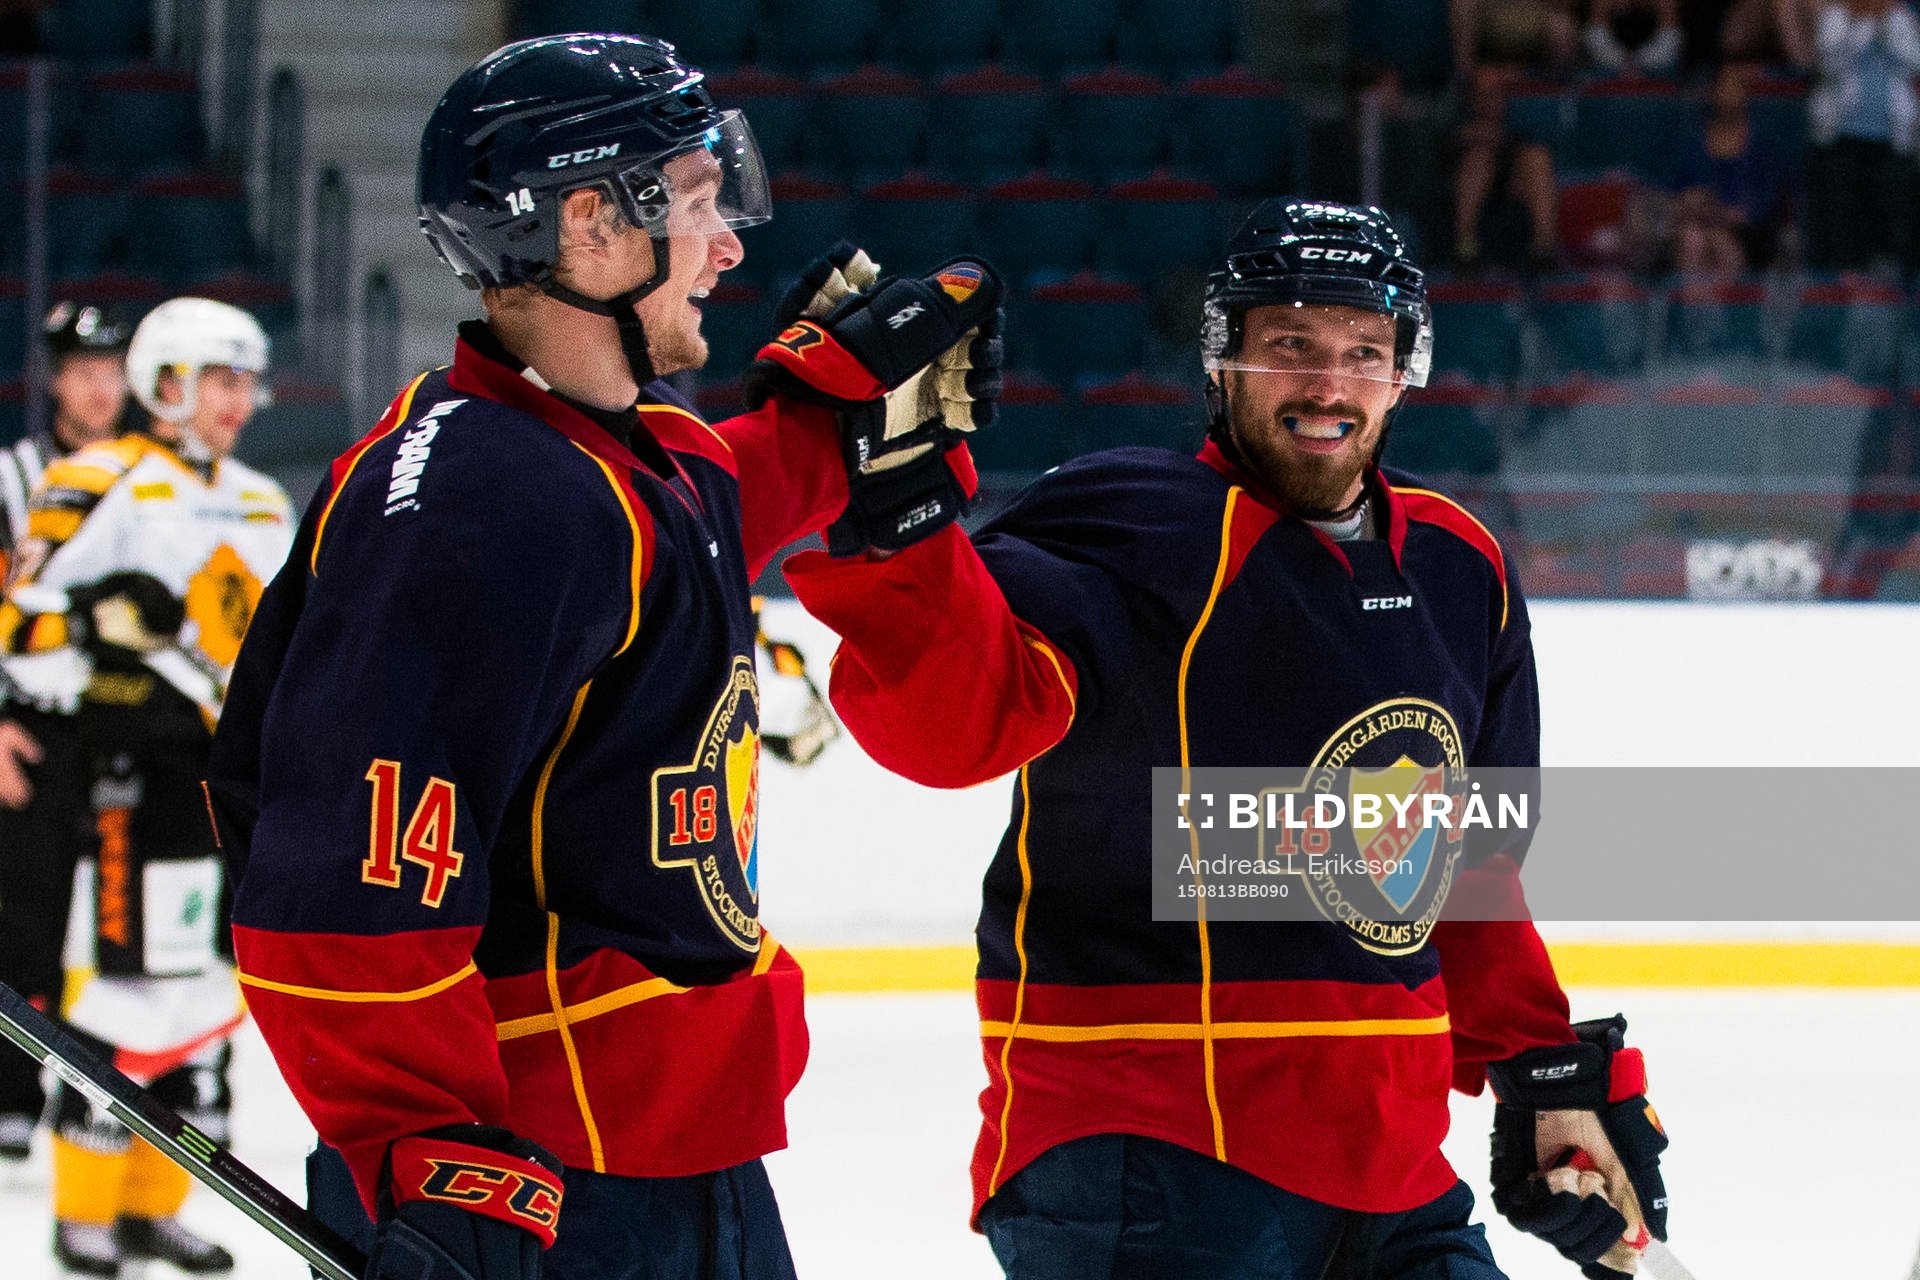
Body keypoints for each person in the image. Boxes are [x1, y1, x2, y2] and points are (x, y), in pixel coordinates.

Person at [204, 32, 1001, 1280]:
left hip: (670, 1164)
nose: (729, 242)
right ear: (589, 222)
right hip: (542, 1182)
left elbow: (693, 516)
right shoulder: (481, 495)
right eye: (694, 201)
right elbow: (342, 900)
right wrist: (432, 1158)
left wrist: (835, 423)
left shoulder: (612, 454)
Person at [785, 200, 1672, 1279]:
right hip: (1150, 1153)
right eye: (1290, 347)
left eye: (1364, 354)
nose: (1329, 386)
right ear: (1224, 363)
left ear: (1404, 375)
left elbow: (1462, 866)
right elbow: (950, 730)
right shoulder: (1129, 524)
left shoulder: (1457, 563)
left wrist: (1541, 1068)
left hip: (1389, 1170)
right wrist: (899, 530)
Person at [0, 295, 289, 1276]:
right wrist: (91, 620)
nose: (238, 400)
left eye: (247, 380)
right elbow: (18, 633)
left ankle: (155, 1201)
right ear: (166, 382)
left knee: (206, 1001)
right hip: (131, 780)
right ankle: (83, 1212)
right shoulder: (96, 479)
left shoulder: (261, 499)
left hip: (228, 790)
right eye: (219, 379)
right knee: (122, 1002)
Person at [0, 301, 133, 1164]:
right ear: (54, 377)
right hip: (34, 730)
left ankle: (112, 1094)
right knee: (25, 922)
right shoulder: (13, 475)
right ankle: (12, 1090)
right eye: (83, 369)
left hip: (128, 730)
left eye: (112, 368)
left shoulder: (147, 474)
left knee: (123, 925)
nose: (99, 386)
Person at [1803, 0, 1920, 271]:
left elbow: (1915, 61)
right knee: (1842, 217)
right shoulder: (1834, 15)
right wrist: (1864, 30)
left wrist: (1887, 30)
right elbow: (1829, 64)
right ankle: (1843, 278)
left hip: (1892, 138)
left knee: (1893, 215)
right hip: (1841, 137)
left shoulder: (1900, 16)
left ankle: (1893, 283)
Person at [1664, 62, 1788, 276]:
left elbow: (1769, 197)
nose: (1732, 93)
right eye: (1725, 86)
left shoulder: (1763, 142)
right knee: (1693, 237)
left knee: (1720, 242)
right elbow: (1672, 192)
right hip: (1698, 223)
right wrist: (1690, 203)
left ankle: (1731, 304)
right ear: (1711, 92)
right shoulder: (1691, 141)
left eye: (1738, 86)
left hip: (1749, 232)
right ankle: (1693, 305)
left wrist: (1728, 215)